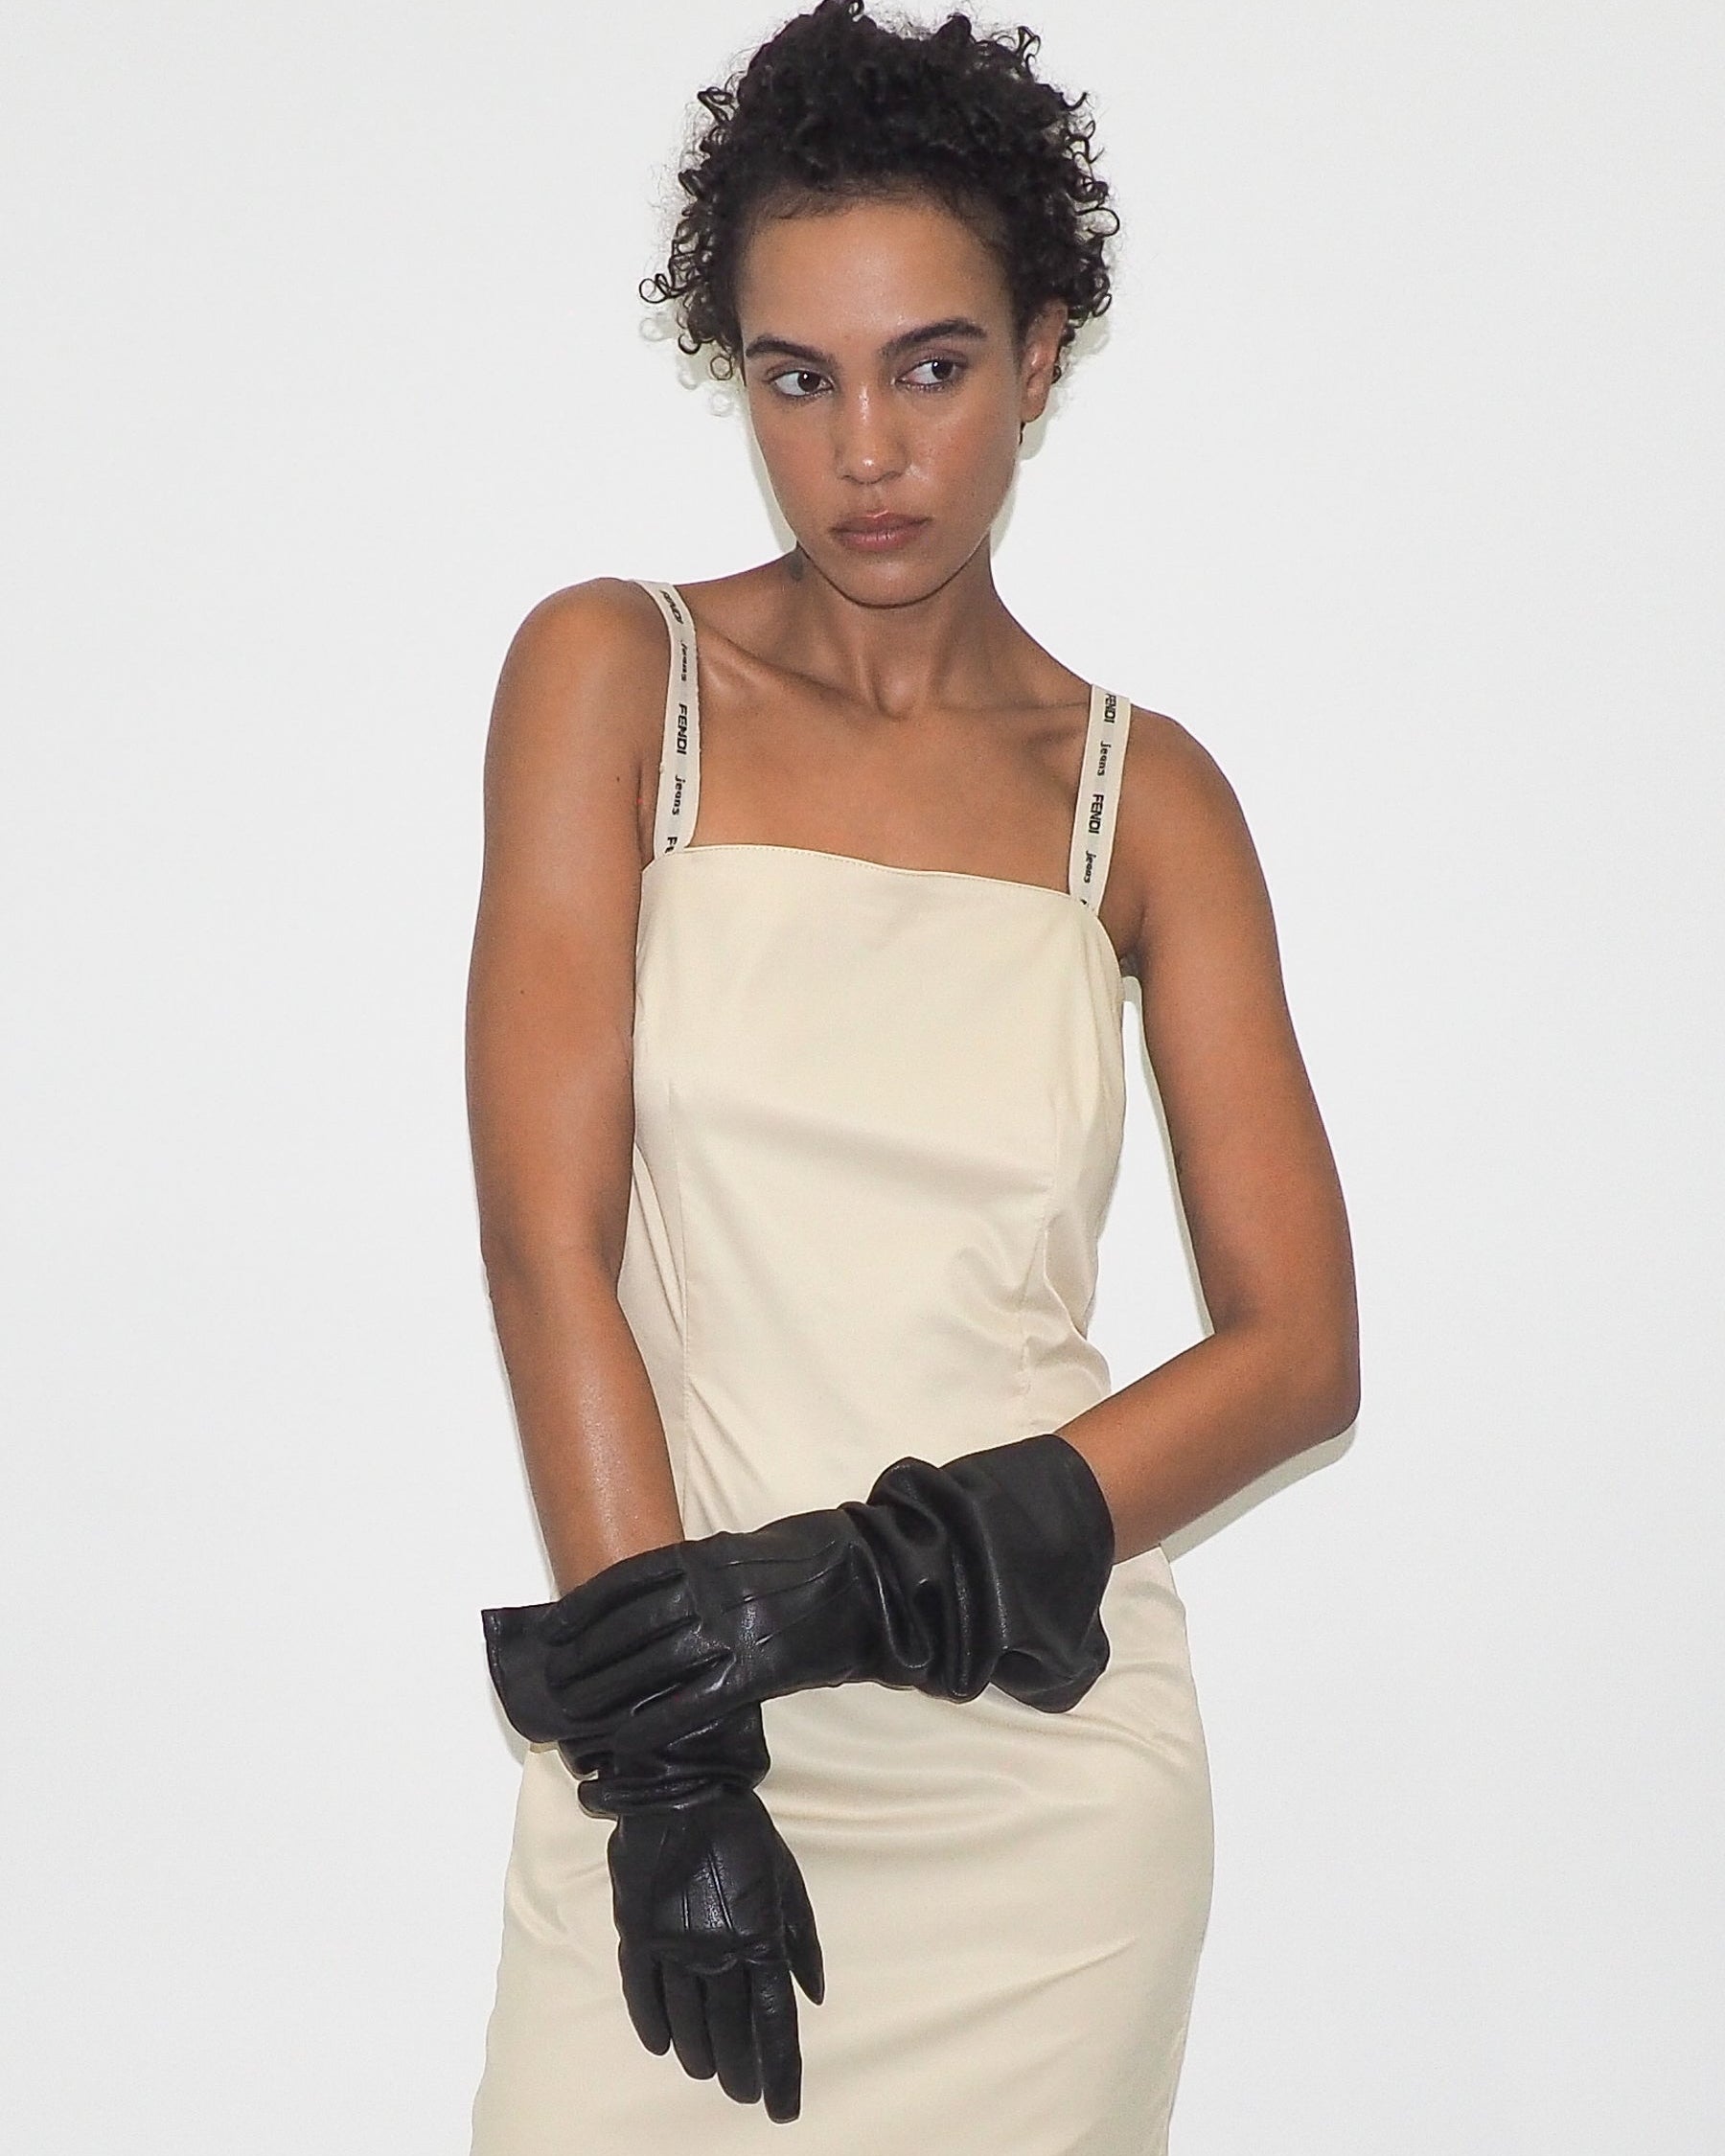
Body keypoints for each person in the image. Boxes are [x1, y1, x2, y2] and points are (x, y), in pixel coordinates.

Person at [464, 3, 1359, 2148]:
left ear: (1044, 355)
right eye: (801, 376)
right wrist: (674, 1769)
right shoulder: (612, 675)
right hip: (685, 1706)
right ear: (743, 376)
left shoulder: (1149, 804)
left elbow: (1302, 1349)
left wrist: (874, 1580)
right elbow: (542, 1242)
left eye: (933, 365)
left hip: (1037, 1779)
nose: (868, 448)